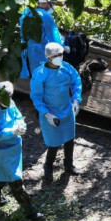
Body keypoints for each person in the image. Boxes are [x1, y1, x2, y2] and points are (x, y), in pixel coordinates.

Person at [0, 82, 44, 221]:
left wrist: (21, 125)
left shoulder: (9, 103)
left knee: (1, 178)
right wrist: (11, 132)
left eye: (10, 96)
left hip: (12, 149)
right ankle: (30, 212)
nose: (8, 99)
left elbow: (17, 116)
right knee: (15, 181)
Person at [30, 42, 84, 183]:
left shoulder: (66, 68)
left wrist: (76, 100)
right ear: (49, 58)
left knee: (69, 140)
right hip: (50, 112)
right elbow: (36, 97)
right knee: (53, 143)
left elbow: (76, 81)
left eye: (61, 54)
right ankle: (48, 166)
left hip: (66, 110)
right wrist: (46, 114)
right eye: (57, 56)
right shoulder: (41, 73)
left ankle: (68, 165)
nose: (60, 57)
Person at [19, 0, 69, 79]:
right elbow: (54, 37)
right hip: (38, 52)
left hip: (24, 50)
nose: (52, 6)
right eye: (52, 3)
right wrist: (64, 46)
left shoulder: (26, 12)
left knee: (30, 75)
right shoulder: (45, 16)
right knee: (40, 76)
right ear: (47, 3)